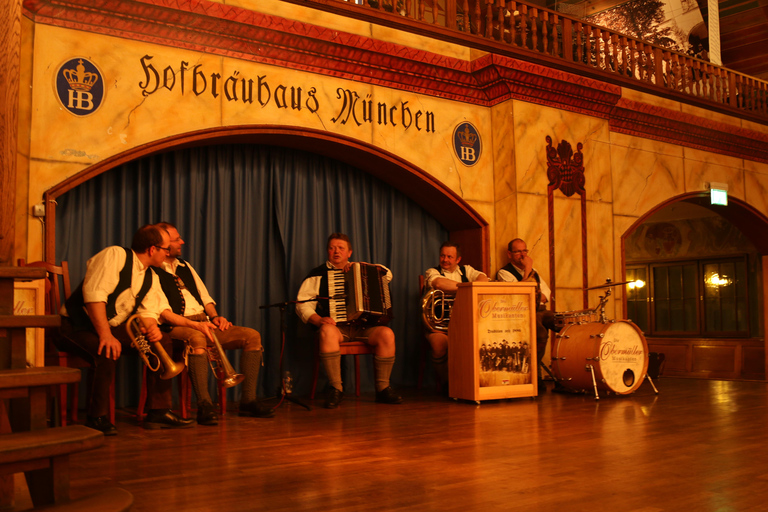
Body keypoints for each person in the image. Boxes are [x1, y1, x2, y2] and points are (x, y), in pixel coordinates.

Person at [59, 225, 210, 434]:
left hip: (110, 326)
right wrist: (105, 335)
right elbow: (94, 296)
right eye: (165, 249)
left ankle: (159, 412)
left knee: (162, 340)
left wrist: (153, 328)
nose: (168, 253)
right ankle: (96, 417)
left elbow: (149, 310)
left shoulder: (151, 275)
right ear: (152, 249)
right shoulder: (115, 255)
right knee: (106, 351)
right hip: (75, 325)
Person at [151, 222, 274, 425]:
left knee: (252, 336)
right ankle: (205, 405)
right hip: (177, 325)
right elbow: (161, 311)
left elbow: (205, 297)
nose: (182, 242)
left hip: (204, 321)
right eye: (176, 239)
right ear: (162, 243)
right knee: (197, 338)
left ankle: (248, 400)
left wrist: (216, 316)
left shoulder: (185, 266)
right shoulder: (152, 270)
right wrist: (194, 325)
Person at [296, 233, 402, 409]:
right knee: (326, 331)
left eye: (341, 248)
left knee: (387, 334)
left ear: (349, 252)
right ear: (327, 251)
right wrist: (319, 320)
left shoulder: (362, 270)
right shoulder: (318, 275)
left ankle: (383, 389)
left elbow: (387, 274)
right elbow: (302, 305)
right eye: (332, 248)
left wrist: (363, 266)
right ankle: (336, 389)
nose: (336, 251)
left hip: (363, 327)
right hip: (337, 328)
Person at [496, 238, 559, 390]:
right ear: (509, 254)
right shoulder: (504, 273)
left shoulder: (534, 272)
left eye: (524, 251)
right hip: (522, 313)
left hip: (541, 309)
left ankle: (569, 372)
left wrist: (536, 295)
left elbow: (546, 293)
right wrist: (528, 269)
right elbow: (521, 295)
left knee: (563, 322)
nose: (523, 255)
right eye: (518, 252)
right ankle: (534, 374)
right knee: (540, 332)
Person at [423, 241, 488, 386]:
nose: (445, 260)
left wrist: (471, 286)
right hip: (438, 328)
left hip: (466, 327)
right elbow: (439, 283)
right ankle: (450, 383)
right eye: (442, 256)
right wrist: (468, 288)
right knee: (439, 344)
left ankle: (475, 383)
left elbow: (484, 279)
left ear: (458, 259)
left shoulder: (467, 270)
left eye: (449, 257)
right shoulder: (432, 272)